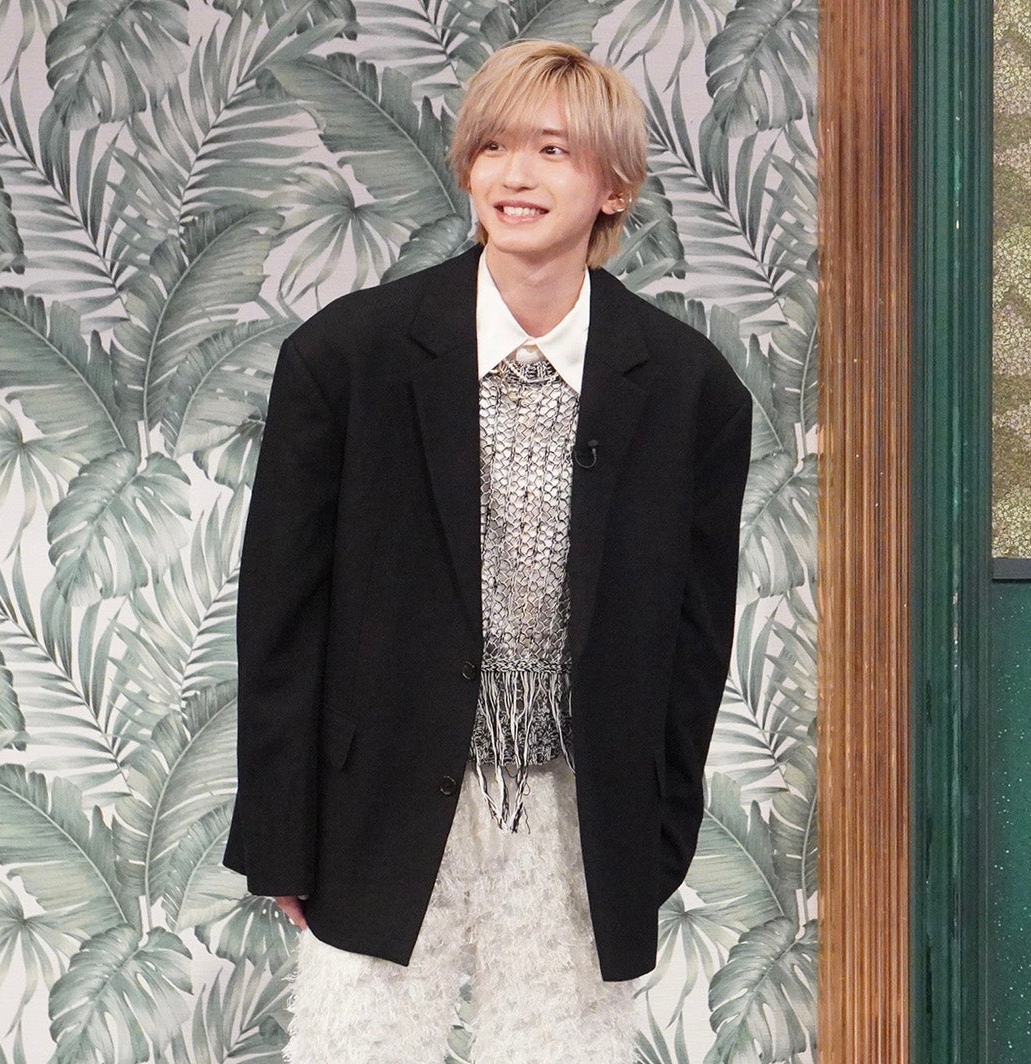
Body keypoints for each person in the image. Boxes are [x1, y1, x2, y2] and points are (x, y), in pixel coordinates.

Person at [224, 39, 752, 1063]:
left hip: (576, 806)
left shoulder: (690, 390)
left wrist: (658, 831)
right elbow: (281, 619)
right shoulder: (345, 359)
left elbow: (696, 643)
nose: (516, 174)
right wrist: (283, 835)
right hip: (376, 795)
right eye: (495, 147)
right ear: (467, 167)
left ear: (612, 187)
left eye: (553, 150)